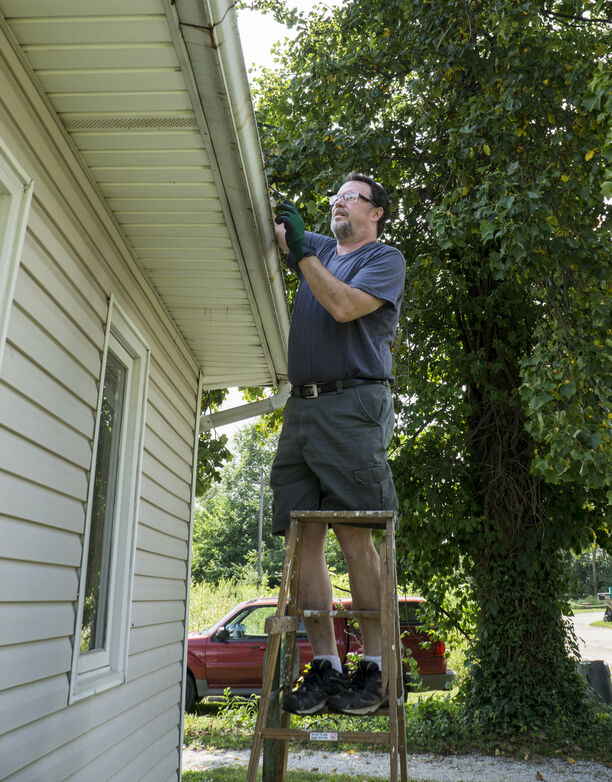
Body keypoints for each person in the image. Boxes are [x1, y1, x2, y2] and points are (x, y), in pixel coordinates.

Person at [270, 172, 406, 715]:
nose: (337, 202)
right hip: (301, 407)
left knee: (354, 535)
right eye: (336, 197)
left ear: (375, 212)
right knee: (302, 537)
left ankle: (374, 668)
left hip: (353, 405)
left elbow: (344, 307)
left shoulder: (383, 260)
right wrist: (282, 216)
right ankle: (325, 665)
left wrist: (302, 252)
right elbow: (280, 230)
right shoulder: (321, 247)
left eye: (350, 197)